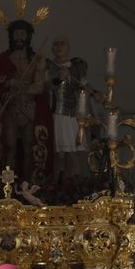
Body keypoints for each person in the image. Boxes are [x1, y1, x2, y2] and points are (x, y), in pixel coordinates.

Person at [0, 16, 54, 188]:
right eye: (16, 33)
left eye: (23, 34)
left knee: (29, 144)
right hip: (11, 105)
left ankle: (28, 183)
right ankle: (7, 184)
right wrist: (10, 83)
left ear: (28, 36)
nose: (19, 37)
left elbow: (39, 86)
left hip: (29, 105)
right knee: (10, 145)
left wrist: (22, 88)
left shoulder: (37, 59)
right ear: (11, 36)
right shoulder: (3, 58)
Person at [46, 35, 92, 179]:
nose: (59, 46)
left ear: (68, 47)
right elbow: (46, 86)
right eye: (56, 44)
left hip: (74, 115)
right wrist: (58, 79)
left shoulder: (77, 66)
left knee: (73, 155)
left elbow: (84, 85)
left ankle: (71, 187)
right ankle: (57, 187)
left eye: (63, 43)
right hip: (57, 115)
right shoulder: (48, 66)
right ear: (53, 48)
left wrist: (97, 94)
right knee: (59, 155)